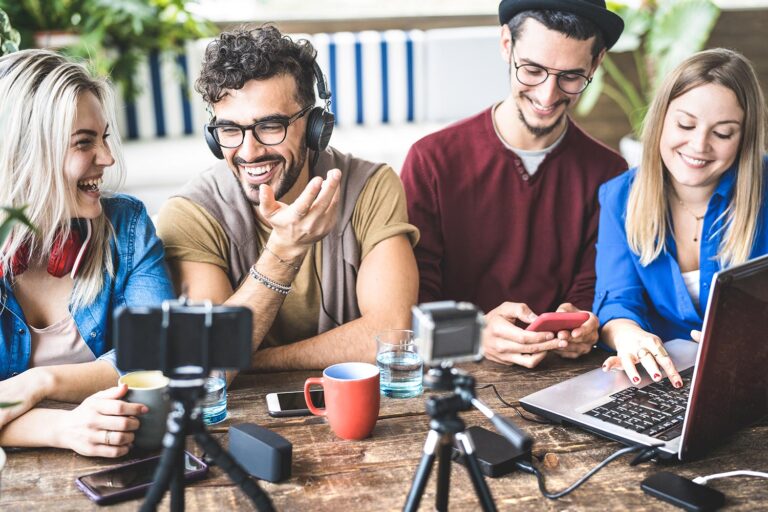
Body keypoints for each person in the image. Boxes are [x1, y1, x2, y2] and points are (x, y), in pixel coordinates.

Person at [156, 26, 419, 371]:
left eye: (270, 126)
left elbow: (392, 334)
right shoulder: (189, 214)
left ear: (315, 126)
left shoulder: (371, 187)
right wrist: (284, 249)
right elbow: (211, 364)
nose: (248, 152)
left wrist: (255, 360)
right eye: (230, 130)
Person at [400, 0, 627, 368]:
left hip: (563, 375)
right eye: (533, 70)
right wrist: (475, 333)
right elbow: (410, 304)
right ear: (506, 44)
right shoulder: (431, 161)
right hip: (452, 372)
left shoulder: (610, 173)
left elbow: (596, 290)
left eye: (570, 77)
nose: (548, 95)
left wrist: (584, 324)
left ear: (596, 62)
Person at [0, 50, 176, 456]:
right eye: (84, 143)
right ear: (28, 155)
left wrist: (39, 382)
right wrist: (59, 428)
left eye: (105, 137)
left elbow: (159, 352)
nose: (108, 158)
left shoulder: (127, 226)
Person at [595, 48, 768, 387]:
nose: (699, 145)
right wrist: (629, 336)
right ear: (661, 119)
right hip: (664, 379)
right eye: (685, 124)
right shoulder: (619, 196)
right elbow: (617, 300)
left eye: (722, 133)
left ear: (744, 138)